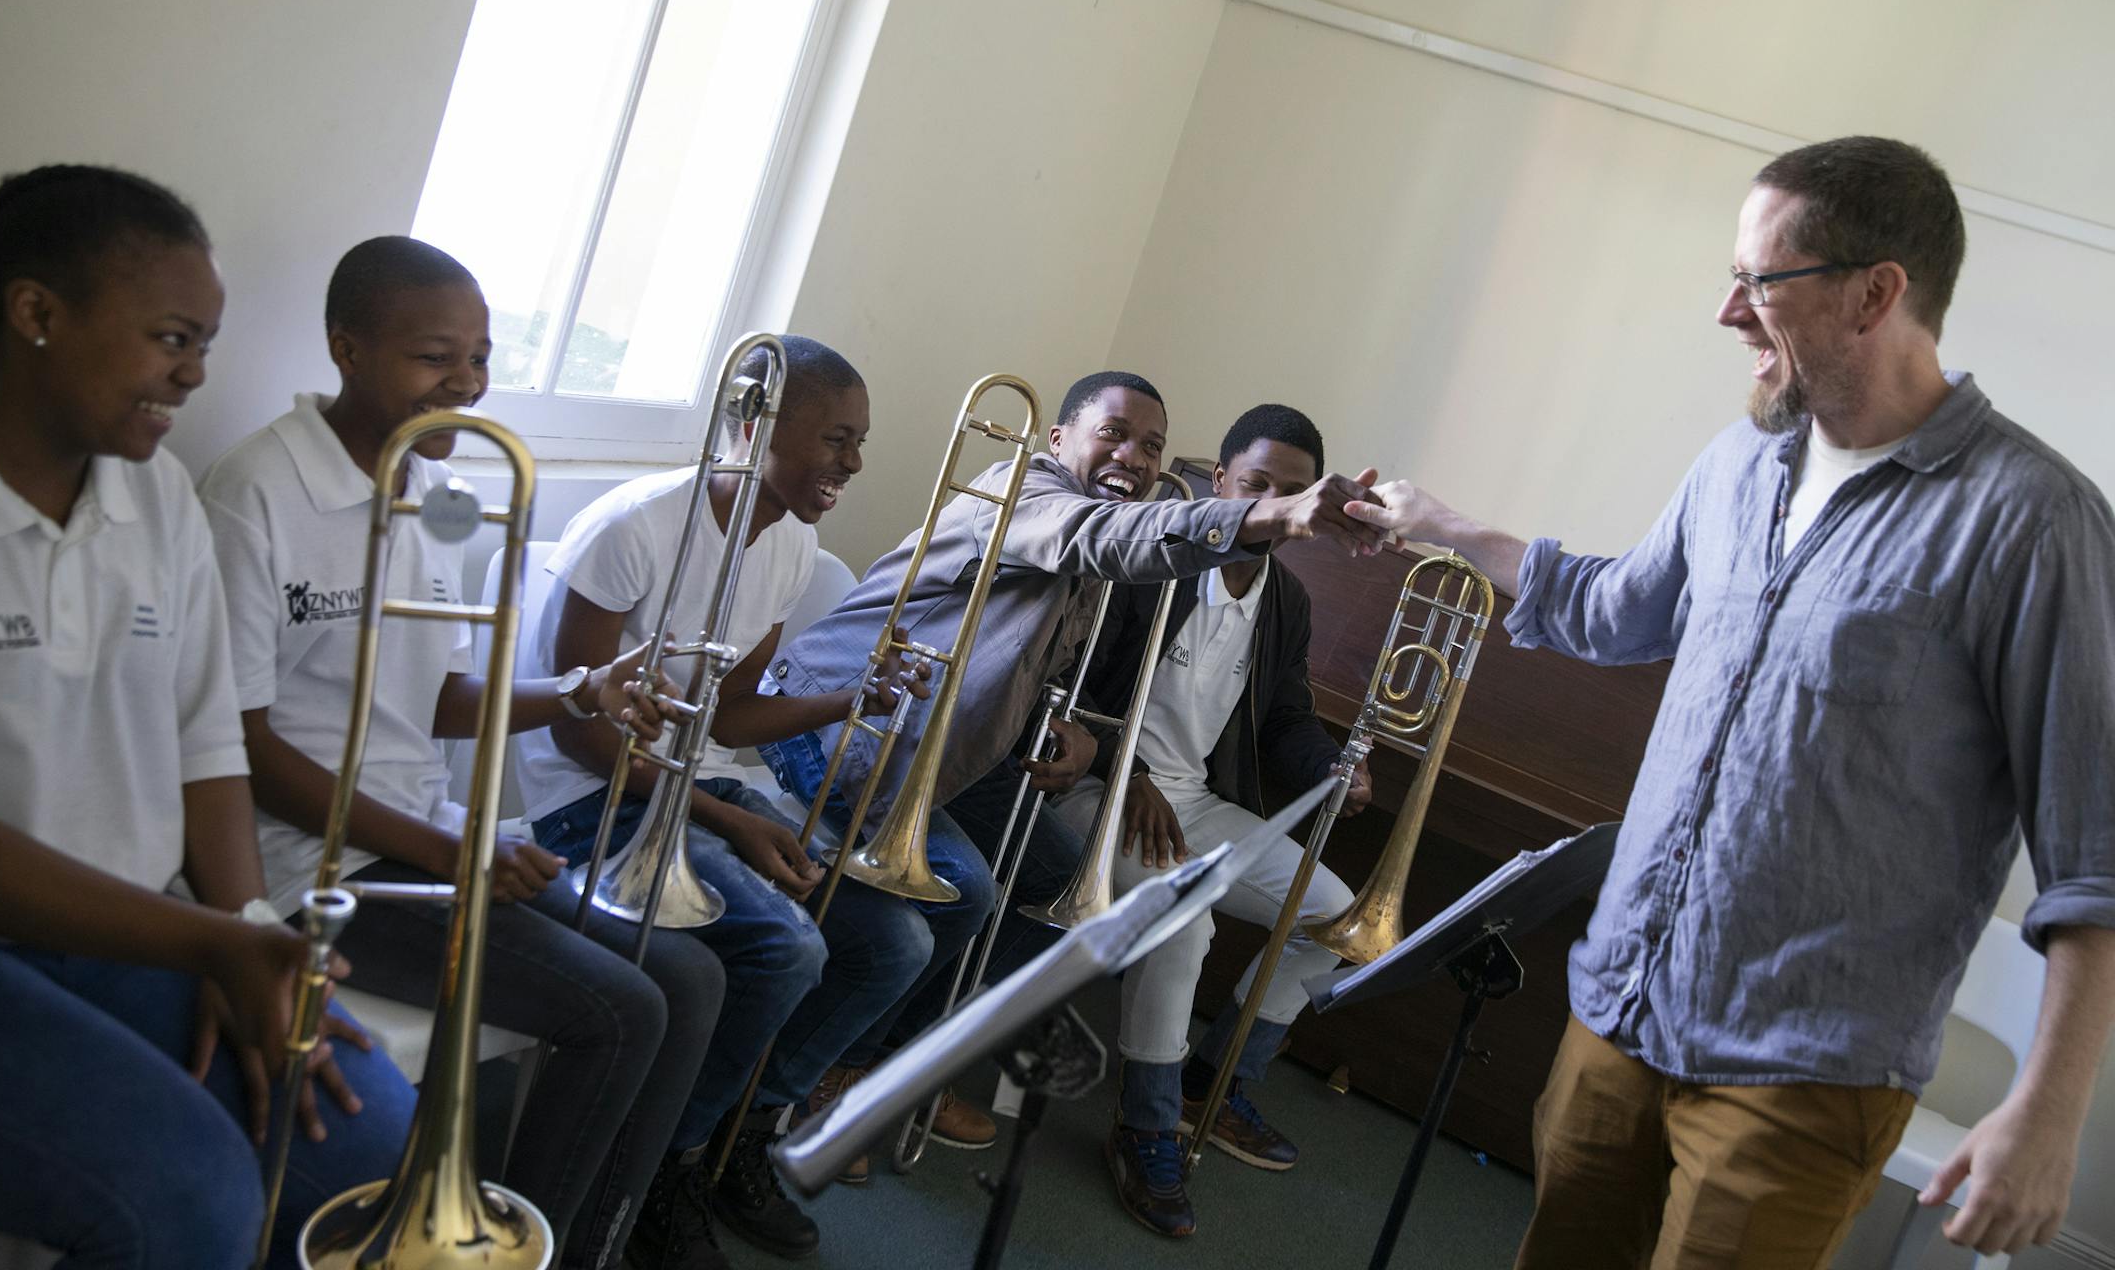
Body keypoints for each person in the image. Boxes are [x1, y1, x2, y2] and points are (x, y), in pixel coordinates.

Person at [1345, 137, 2115, 1267]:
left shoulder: (2033, 519)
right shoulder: (1738, 464)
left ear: (1875, 293)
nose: (1728, 311)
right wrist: (1447, 525)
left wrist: (2049, 1116)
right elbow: (1618, 609)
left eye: (1760, 279)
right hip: (1621, 1010)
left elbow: (2095, 848)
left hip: (1801, 1075)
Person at [199, 235, 725, 1269]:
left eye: (480, 357)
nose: (468, 385)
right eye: (435, 357)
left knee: (695, 978)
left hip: (426, 838)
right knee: (620, 1011)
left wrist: (577, 687)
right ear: (346, 348)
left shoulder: (437, 493)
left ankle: (589, 1236)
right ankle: (500, 1252)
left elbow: (439, 695)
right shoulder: (253, 492)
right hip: (317, 865)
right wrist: (454, 854)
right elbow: (241, 747)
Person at [0, 164, 414, 1268]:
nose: (195, 373)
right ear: (36, 314)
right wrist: (207, 939)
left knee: (368, 1134)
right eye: (172, 336)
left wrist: (248, 928)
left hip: (129, 923)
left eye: (206, 342)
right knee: (186, 1194)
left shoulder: (153, 495)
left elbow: (208, 744)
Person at [758, 372, 1388, 1168]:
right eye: (1114, 433)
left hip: (954, 748)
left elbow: (1058, 676)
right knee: (972, 891)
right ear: (1059, 439)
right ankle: (827, 1079)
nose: (1134, 454)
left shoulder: (1164, 555)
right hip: (840, 720)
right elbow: (1095, 536)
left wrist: (1082, 734)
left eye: (1152, 445)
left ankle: (887, 1062)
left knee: (1061, 893)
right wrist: (1278, 516)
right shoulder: (1020, 487)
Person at [520, 334, 928, 1268]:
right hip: (587, 800)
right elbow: (576, 731)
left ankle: (738, 1132)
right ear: (754, 426)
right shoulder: (636, 528)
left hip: (695, 789)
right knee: (785, 947)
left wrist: (848, 700)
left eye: (859, 441)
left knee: (892, 944)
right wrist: (734, 821)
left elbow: (734, 717)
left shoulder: (791, 544)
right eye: (834, 439)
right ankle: (659, 1163)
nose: (853, 464)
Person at [1055, 403, 1372, 1237]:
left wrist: (1333, 764)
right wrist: (1125, 771)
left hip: (1191, 803)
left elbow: (1285, 717)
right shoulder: (1153, 559)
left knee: (1338, 916)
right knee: (1181, 923)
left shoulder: (1285, 602)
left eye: (1293, 492)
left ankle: (1214, 1085)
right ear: (1222, 481)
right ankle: (1146, 1124)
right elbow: (1070, 677)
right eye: (1256, 483)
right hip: (1094, 787)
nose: (1273, 500)